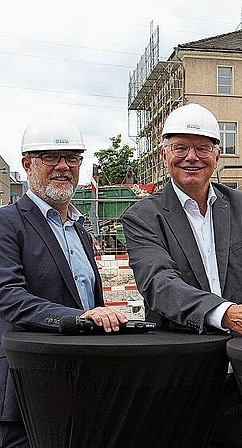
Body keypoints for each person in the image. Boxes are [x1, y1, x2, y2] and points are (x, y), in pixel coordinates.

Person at [121, 103, 242, 448]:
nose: (191, 157)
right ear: (165, 153)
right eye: (180, 147)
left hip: (241, 369)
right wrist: (225, 313)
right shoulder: (144, 216)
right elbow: (159, 284)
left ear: (217, 154)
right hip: (181, 372)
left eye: (202, 148)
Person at [0, 117, 128, 447]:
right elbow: (9, 297)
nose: (63, 167)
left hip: (79, 381)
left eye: (72, 158)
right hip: (28, 386)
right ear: (28, 164)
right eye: (50, 158)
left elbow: (87, 299)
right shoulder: (7, 225)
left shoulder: (80, 230)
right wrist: (77, 319)